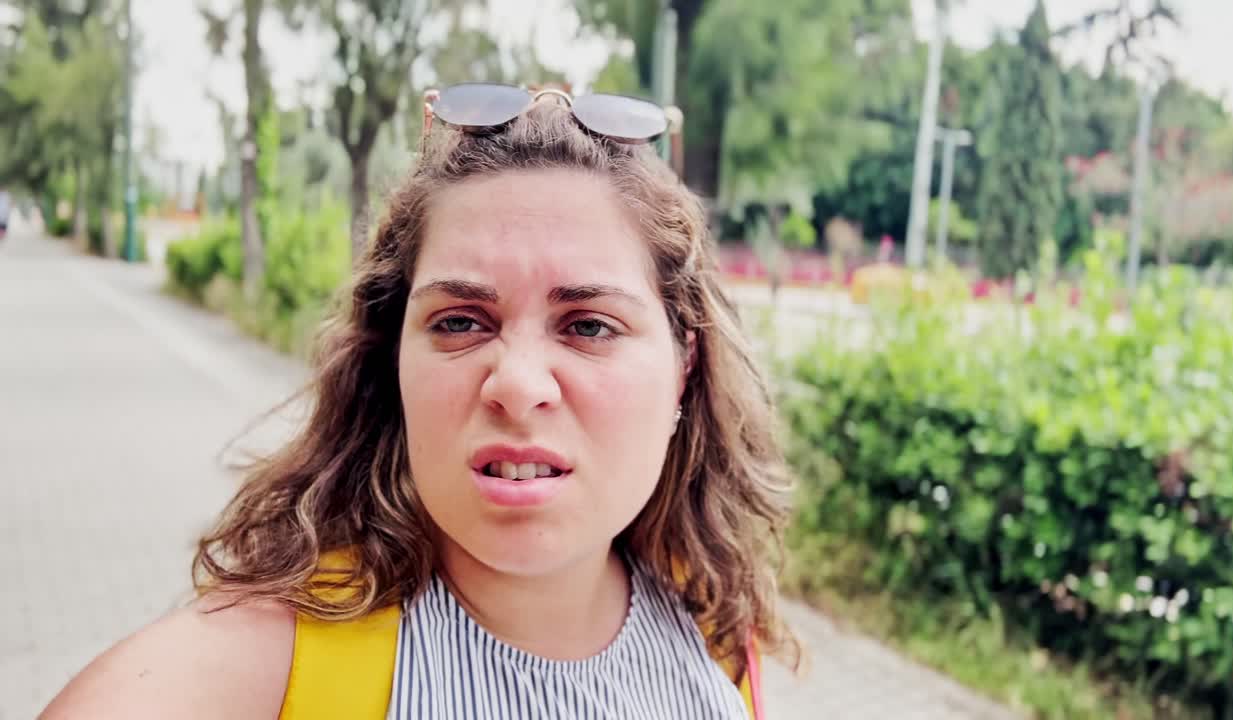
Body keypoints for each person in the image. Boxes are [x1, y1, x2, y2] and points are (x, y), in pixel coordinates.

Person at [42, 83, 796, 719]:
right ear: (389, 358)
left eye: (589, 325)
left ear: (684, 366)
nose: (518, 385)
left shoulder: (718, 637)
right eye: (461, 322)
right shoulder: (260, 672)